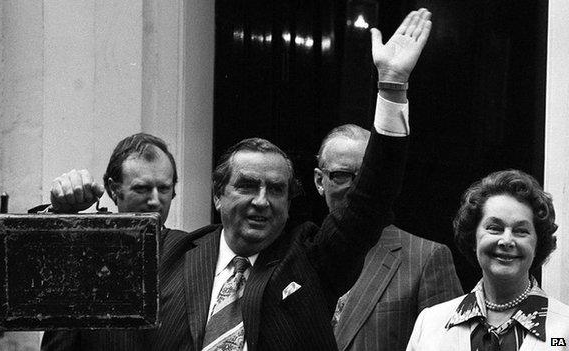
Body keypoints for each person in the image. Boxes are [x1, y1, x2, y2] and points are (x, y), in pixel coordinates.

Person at [43, 8, 432, 350]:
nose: (262, 201)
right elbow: (75, 292)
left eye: (276, 190)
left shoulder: (311, 260)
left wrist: (392, 86)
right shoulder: (168, 252)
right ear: (218, 196)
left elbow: (370, 199)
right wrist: (68, 220)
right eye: (247, 185)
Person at [317, 124, 462, 351]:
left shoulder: (427, 258)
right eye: (342, 175)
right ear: (319, 182)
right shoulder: (296, 255)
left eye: (367, 175)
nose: (358, 188)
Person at [41, 133, 186, 350]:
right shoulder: (85, 255)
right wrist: (61, 215)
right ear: (113, 189)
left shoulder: (190, 252)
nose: (155, 200)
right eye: (142, 188)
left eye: (163, 188)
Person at [406, 169, 569, 350]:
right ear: (473, 238)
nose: (507, 241)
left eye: (521, 231)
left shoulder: (565, 331)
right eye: (494, 228)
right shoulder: (430, 324)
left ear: (537, 244)